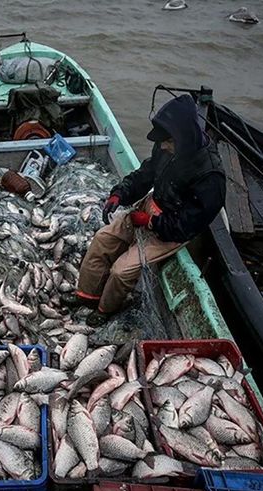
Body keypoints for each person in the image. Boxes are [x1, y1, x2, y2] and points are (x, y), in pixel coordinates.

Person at [65, 95, 226, 327]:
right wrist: (120, 193)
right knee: (102, 240)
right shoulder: (168, 146)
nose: (161, 146)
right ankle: (86, 297)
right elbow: (146, 173)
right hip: (150, 206)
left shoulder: (211, 176)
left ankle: (105, 309)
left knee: (122, 271)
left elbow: (187, 225)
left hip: (172, 229)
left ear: (181, 138)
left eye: (166, 142)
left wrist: (151, 222)